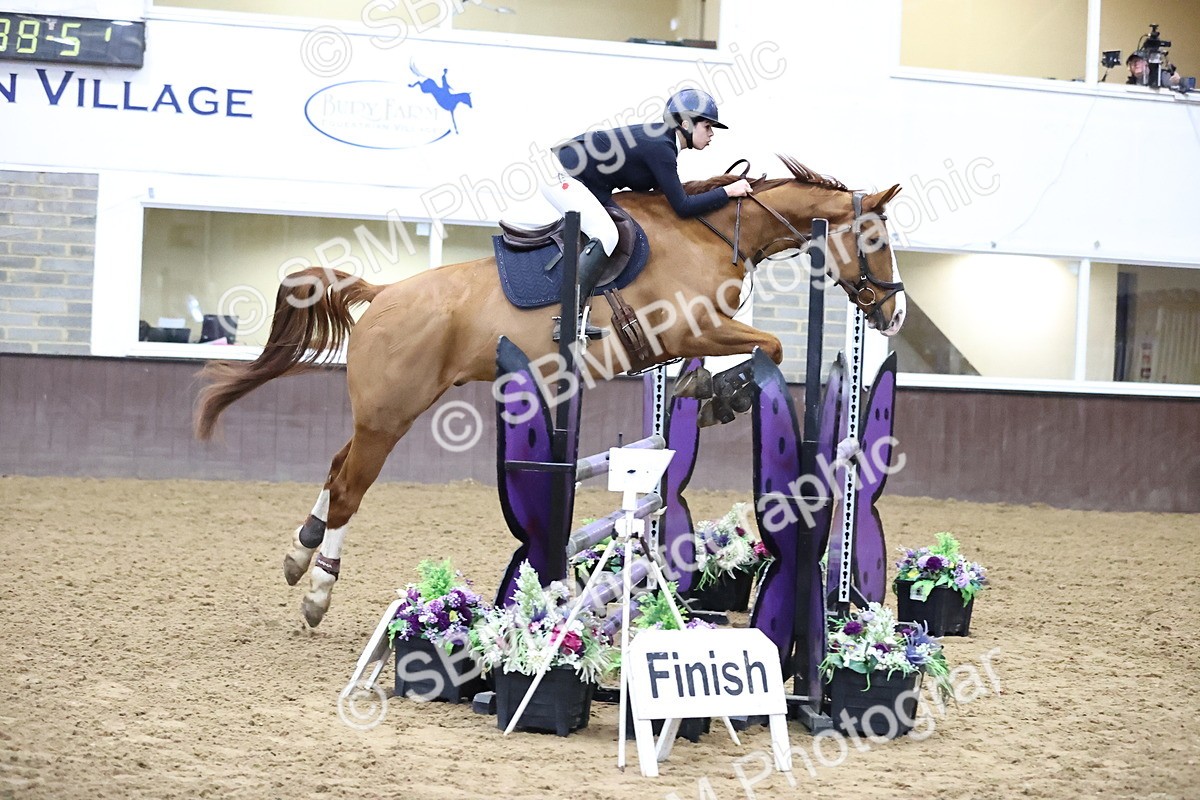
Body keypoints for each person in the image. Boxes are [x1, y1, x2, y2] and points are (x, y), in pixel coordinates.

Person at [541, 87, 752, 337]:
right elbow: (682, 207)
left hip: (582, 179)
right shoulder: (661, 148)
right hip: (561, 175)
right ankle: (568, 319)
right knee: (607, 234)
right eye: (707, 127)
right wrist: (727, 192)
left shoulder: (663, 144)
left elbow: (670, 197)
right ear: (685, 123)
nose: (711, 134)